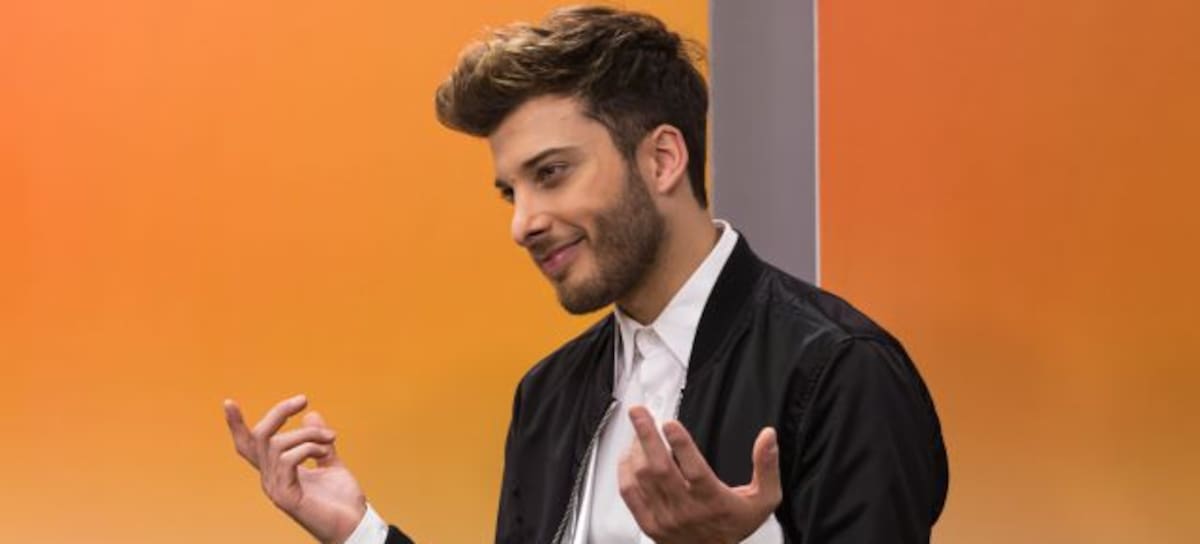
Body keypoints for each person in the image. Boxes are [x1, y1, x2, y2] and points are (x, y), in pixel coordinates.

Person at [223, 6, 948, 544]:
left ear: (662, 160)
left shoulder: (841, 371)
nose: (522, 223)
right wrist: (359, 531)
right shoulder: (549, 394)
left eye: (551, 174)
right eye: (511, 192)